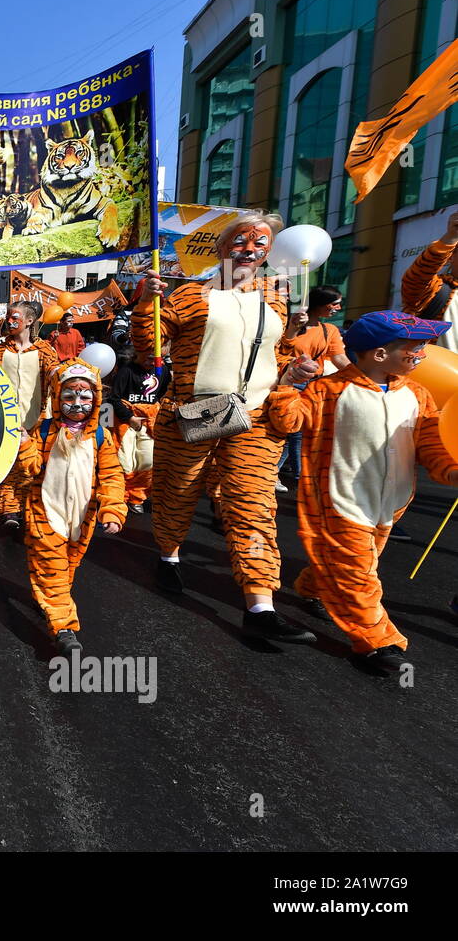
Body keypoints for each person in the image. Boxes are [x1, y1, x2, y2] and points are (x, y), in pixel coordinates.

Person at [134, 210, 319, 641]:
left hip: (256, 419)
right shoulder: (185, 296)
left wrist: (296, 356)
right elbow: (150, 350)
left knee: (253, 506)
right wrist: (146, 304)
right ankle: (169, 554)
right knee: (177, 492)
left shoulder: (277, 295)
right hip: (193, 413)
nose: (250, 250)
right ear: (221, 247)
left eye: (260, 245)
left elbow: (279, 351)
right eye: (241, 242)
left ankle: (260, 605)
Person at [270, 311, 458, 673]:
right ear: (379, 354)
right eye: (415, 346)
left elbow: (433, 445)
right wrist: (287, 385)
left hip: (392, 503)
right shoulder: (330, 390)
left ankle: (313, 586)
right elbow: (288, 421)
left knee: (354, 562)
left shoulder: (418, 394)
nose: (423, 353)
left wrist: (451, 472)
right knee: (360, 575)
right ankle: (377, 642)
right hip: (341, 502)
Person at [24, 359, 125, 653]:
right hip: (45, 513)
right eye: (69, 396)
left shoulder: (100, 436)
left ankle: (50, 597)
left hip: (83, 517)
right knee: (53, 570)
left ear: (96, 398)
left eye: (85, 395)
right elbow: (31, 467)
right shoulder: (43, 431)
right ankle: (65, 627)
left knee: (66, 569)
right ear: (56, 397)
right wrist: (23, 444)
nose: (77, 402)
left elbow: (111, 475)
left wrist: (113, 509)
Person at [0, 302, 58, 530]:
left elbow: (56, 375)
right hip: (5, 420)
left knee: (32, 466)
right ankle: (9, 509)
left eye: (15, 317)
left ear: (29, 321)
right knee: (6, 465)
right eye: (8, 317)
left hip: (37, 420)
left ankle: (29, 507)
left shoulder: (46, 350)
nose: (9, 321)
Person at [276, 285, 350, 491]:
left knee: (299, 431)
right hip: (290, 380)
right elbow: (282, 348)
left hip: (313, 384)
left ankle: (283, 473)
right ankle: (296, 476)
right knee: (292, 429)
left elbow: (339, 358)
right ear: (319, 304)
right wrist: (292, 327)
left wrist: (361, 374)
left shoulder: (330, 330)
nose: (338, 308)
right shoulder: (292, 321)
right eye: (334, 304)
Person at [104, 347, 167, 514]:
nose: (149, 363)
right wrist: (129, 417)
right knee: (125, 461)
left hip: (149, 421)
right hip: (126, 421)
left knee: (148, 461)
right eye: (146, 358)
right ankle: (121, 495)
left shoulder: (162, 371)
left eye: (153, 359)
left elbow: (164, 395)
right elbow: (114, 399)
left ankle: (137, 496)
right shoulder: (126, 371)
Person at [400, 209, 458, 352]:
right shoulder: (437, 290)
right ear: (451, 257)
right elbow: (416, 278)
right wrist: (452, 236)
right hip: (432, 372)